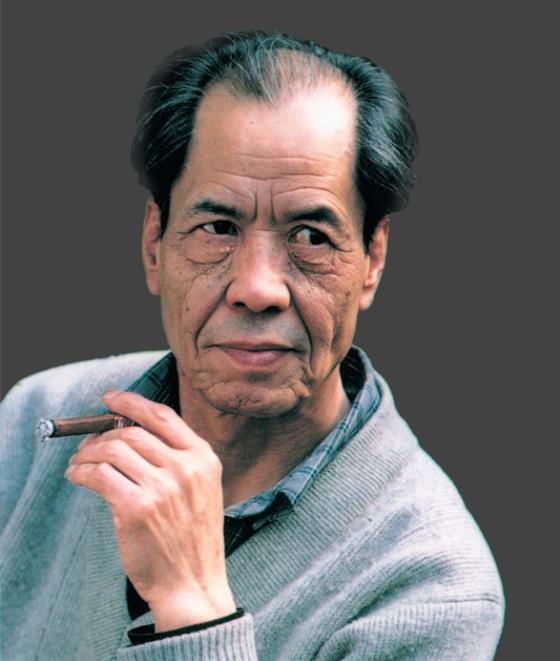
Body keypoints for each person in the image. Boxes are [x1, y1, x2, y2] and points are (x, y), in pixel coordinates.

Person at [0, 31, 505, 660]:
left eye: (311, 237)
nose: (257, 288)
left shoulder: (431, 587)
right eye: (217, 228)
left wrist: (192, 607)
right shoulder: (34, 422)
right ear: (155, 244)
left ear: (372, 260)